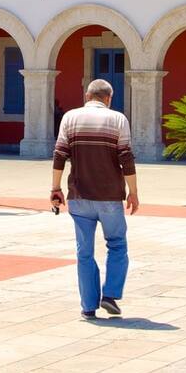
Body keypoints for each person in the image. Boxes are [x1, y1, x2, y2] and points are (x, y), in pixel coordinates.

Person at [50, 79, 139, 321]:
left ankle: (88, 307)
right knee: (117, 244)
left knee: (84, 252)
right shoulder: (118, 119)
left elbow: (59, 156)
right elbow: (126, 158)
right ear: (108, 98)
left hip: (79, 196)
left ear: (87, 95)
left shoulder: (70, 118)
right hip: (110, 196)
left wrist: (55, 189)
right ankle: (109, 295)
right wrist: (133, 191)